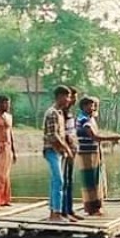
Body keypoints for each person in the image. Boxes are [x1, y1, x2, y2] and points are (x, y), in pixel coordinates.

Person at [76, 96, 120, 216]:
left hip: (92, 152)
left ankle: (95, 207)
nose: (93, 108)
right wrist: (113, 138)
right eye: (90, 105)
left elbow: (96, 136)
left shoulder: (89, 119)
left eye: (94, 105)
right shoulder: (84, 119)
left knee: (95, 180)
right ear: (84, 106)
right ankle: (93, 209)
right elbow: (95, 137)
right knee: (91, 181)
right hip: (87, 154)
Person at [43, 85, 73, 222]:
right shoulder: (52, 113)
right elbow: (52, 136)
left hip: (58, 151)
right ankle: (56, 214)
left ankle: (54, 211)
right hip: (52, 150)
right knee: (59, 180)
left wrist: (64, 149)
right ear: (60, 97)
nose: (69, 100)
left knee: (56, 181)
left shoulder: (60, 113)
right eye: (67, 97)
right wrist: (66, 148)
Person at [61, 87, 84, 222]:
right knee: (64, 181)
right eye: (72, 97)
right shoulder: (60, 112)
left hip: (72, 149)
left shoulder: (69, 112)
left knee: (70, 181)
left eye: (75, 97)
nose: (74, 100)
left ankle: (69, 210)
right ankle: (63, 211)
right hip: (64, 150)